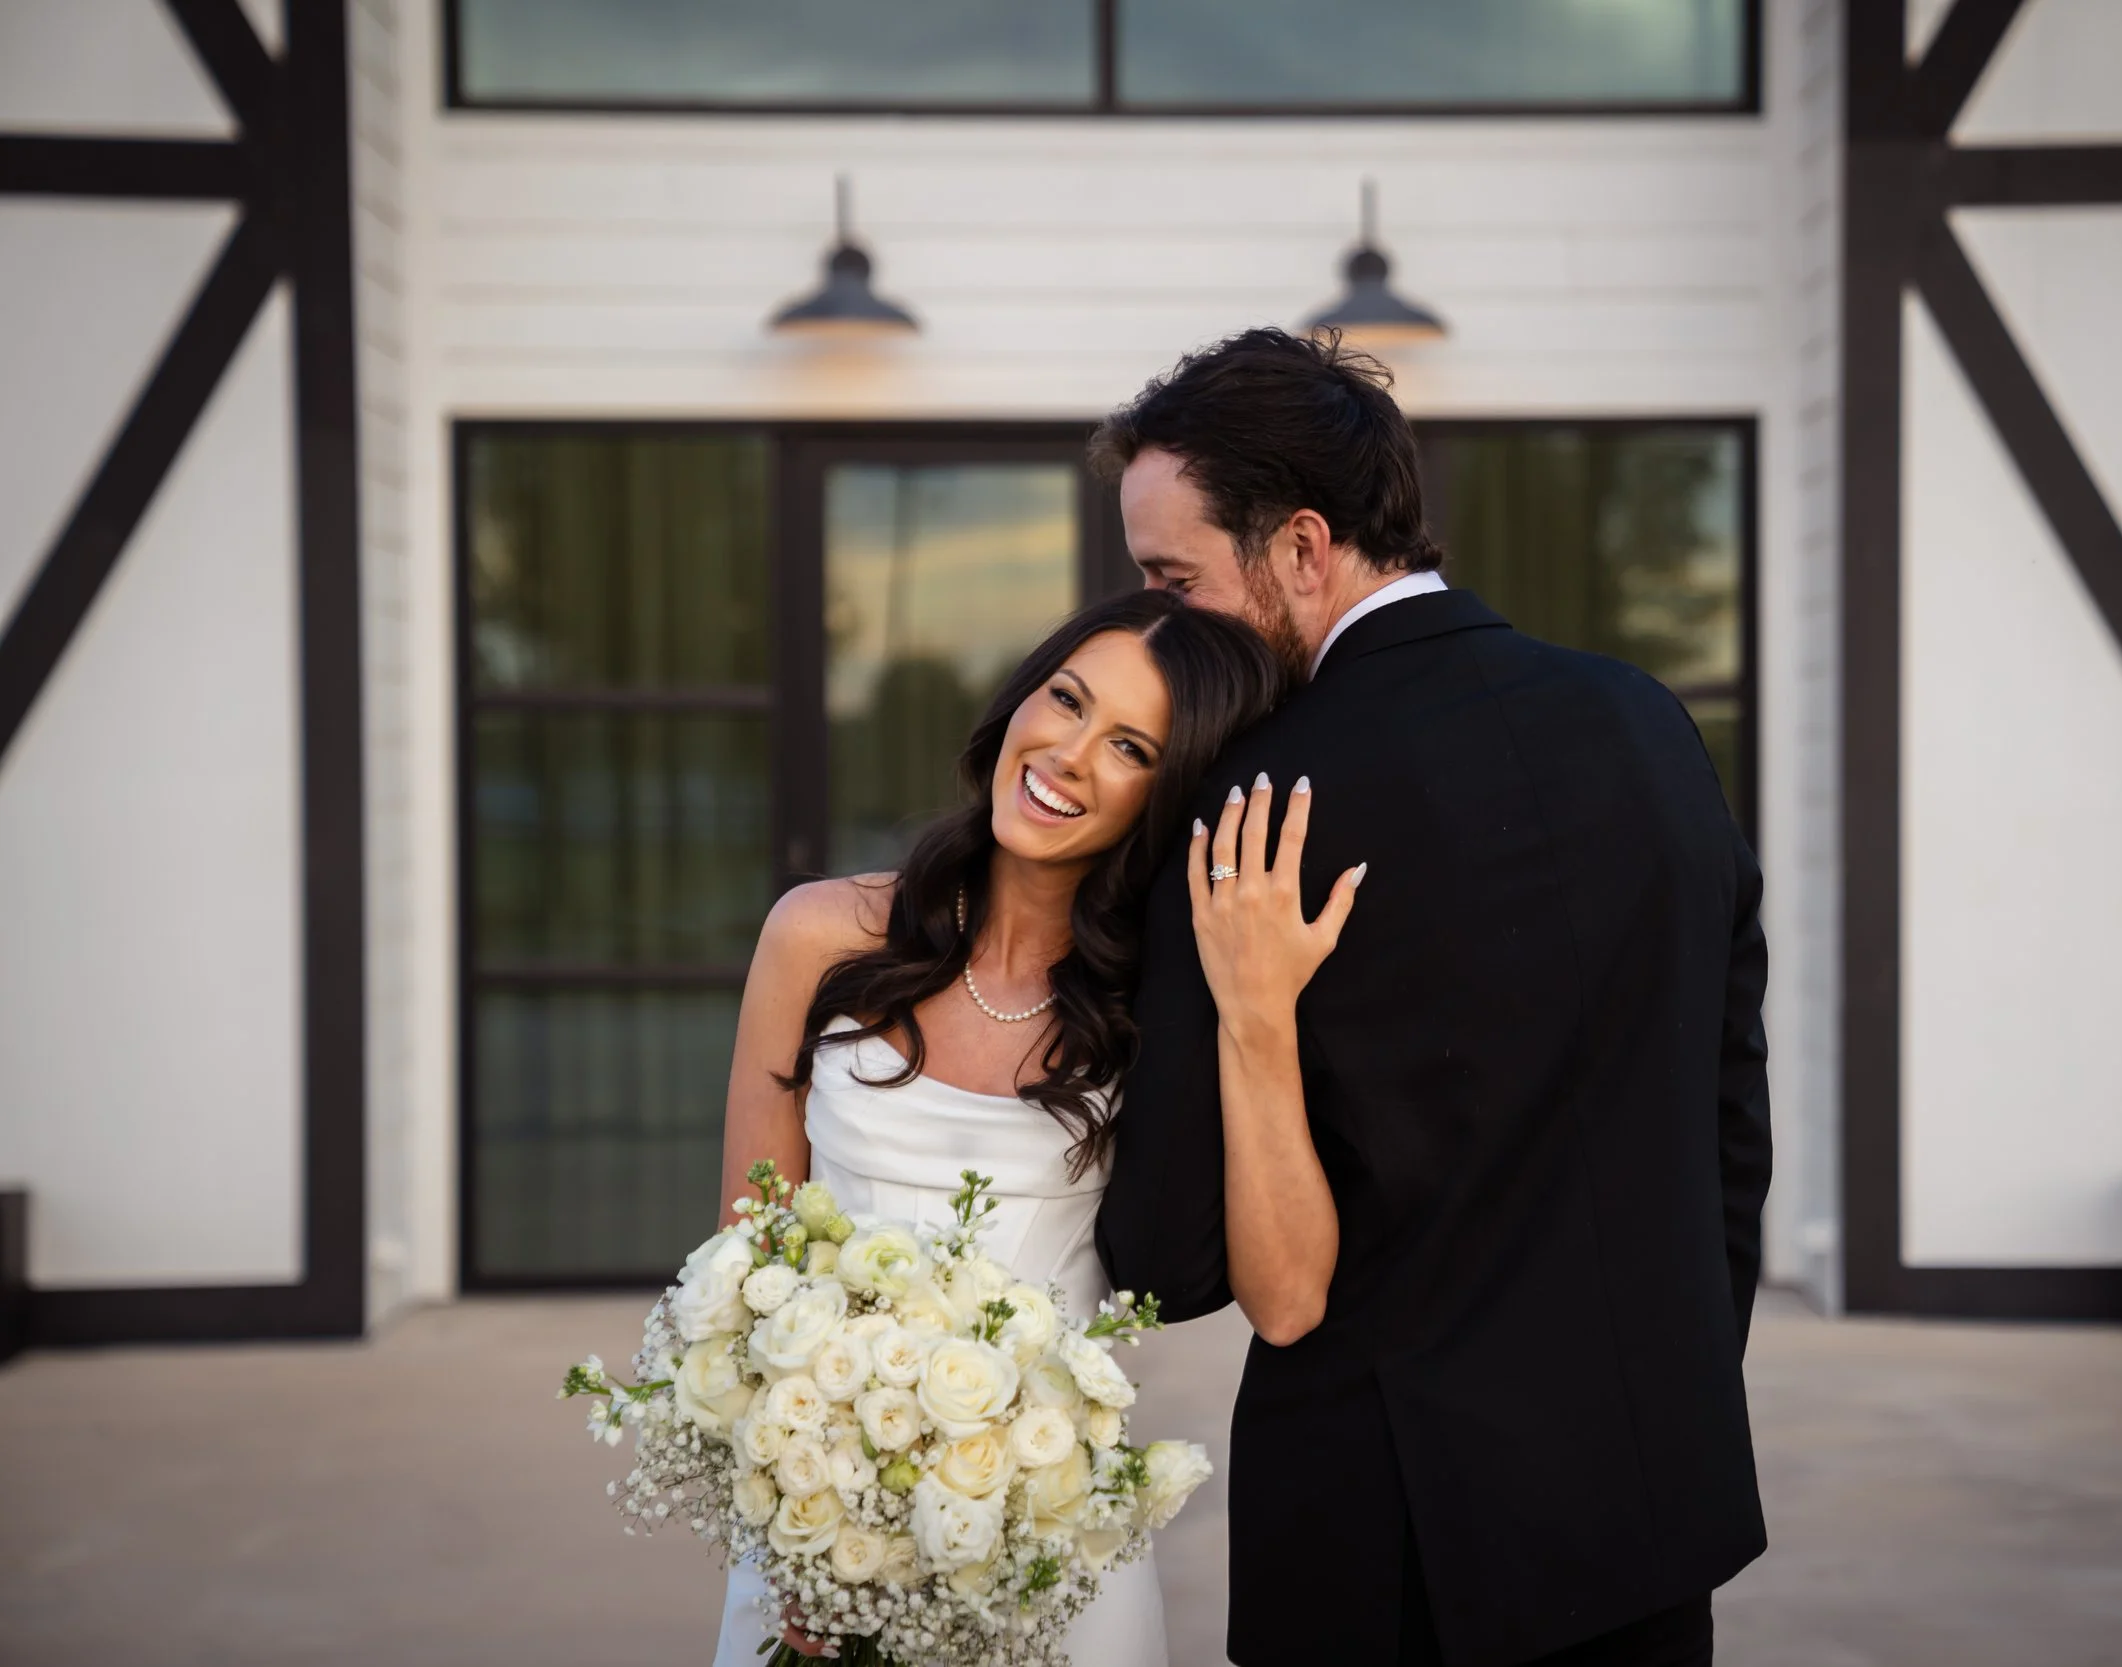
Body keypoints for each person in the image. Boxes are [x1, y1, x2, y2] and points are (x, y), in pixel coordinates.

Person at [1092, 329, 1773, 1667]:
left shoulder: (1247, 804)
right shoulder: (1646, 721)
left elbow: (1169, 1258)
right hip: (1647, 1499)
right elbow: (1726, 1109)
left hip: (1381, 1541)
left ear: (1300, 547)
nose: (1165, 623)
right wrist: (1669, 1377)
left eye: (1175, 578)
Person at [706, 589, 1307, 1666]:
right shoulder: (815, 934)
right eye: (1065, 698)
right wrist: (797, 1531)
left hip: (1049, 1551)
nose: (1067, 753)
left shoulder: (1153, 1017)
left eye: (1128, 745)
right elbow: (745, 1266)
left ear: (1166, 795)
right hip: (812, 1533)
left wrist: (1258, 1011)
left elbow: (1287, 1292)